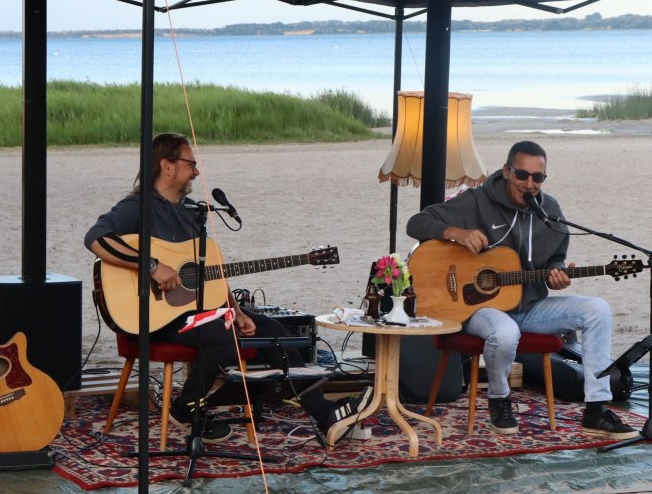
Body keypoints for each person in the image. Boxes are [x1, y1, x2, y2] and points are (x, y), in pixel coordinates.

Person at [85, 132, 372, 445]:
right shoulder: (137, 207)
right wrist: (152, 266)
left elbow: (211, 275)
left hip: (196, 313)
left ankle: (325, 414)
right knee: (220, 335)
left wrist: (235, 310)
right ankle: (185, 408)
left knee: (272, 330)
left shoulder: (193, 212)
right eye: (190, 164)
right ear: (167, 166)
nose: (196, 171)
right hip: (152, 317)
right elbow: (96, 238)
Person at [406, 139, 638, 439]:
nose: (530, 184)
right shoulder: (476, 201)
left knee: (598, 310)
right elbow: (417, 222)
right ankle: (500, 401)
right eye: (522, 175)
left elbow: (556, 257)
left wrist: (558, 274)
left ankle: (595, 409)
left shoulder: (550, 210)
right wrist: (455, 232)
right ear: (506, 171)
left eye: (538, 177)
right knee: (505, 332)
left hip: (529, 307)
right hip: (479, 309)